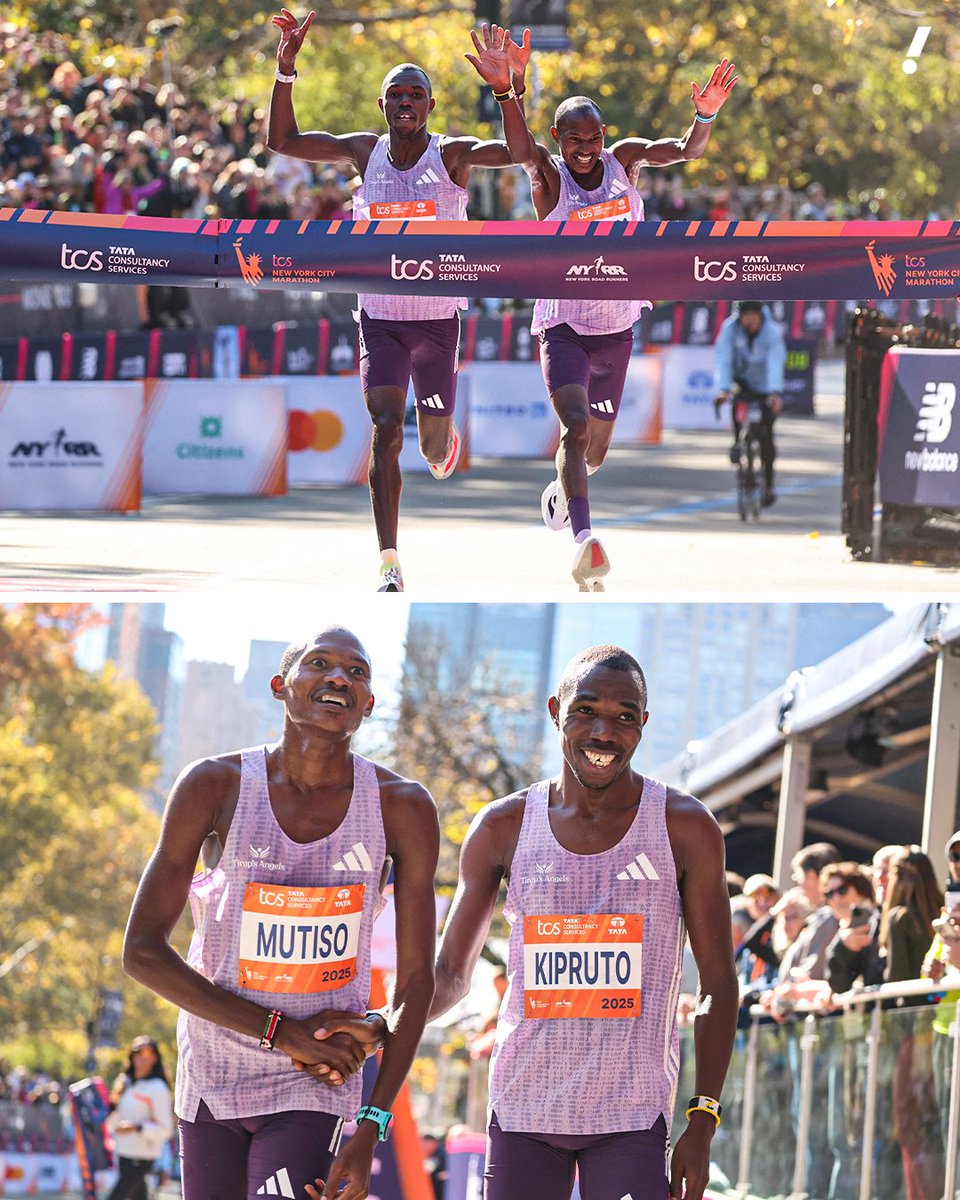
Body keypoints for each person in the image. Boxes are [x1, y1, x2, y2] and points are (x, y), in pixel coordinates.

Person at [122, 626, 440, 1200]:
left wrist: (372, 1120)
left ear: (368, 705)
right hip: (213, 1075)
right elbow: (141, 951)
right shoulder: (213, 785)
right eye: (319, 663)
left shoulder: (404, 806)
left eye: (357, 672)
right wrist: (279, 1032)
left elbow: (417, 981)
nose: (340, 677)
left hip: (317, 1077)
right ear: (281, 686)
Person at [423, 645, 739, 1199]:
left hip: (632, 1117)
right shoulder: (503, 825)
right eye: (586, 710)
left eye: (623, 716)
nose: (603, 732)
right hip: (525, 1108)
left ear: (643, 722)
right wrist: (383, 1024)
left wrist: (703, 1119)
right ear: (555, 711)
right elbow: (450, 973)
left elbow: (717, 984)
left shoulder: (685, 826)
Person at [266, 11, 529, 593]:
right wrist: (286, 71)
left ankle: (443, 438)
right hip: (379, 320)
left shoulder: (452, 154)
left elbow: (521, 153)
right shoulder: (365, 152)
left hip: (436, 324)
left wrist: (507, 89)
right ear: (382, 105)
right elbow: (281, 141)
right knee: (385, 428)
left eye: (417, 94)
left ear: (430, 107)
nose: (406, 102)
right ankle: (389, 557)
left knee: (432, 449)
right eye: (396, 95)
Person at [466, 29, 737, 590]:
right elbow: (520, 151)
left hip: (617, 327)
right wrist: (507, 92)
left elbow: (687, 150)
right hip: (563, 324)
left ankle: (564, 488)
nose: (585, 150)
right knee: (574, 427)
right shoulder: (548, 176)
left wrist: (704, 116)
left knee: (595, 453)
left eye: (592, 140)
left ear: (604, 136)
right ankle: (584, 541)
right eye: (573, 142)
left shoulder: (625, 161)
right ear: (560, 140)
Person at [713, 300, 786, 507]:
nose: (749, 321)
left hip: (765, 387)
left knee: (766, 436)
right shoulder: (730, 329)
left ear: (760, 315)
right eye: (745, 317)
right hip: (741, 382)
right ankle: (737, 441)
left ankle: (769, 484)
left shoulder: (772, 332)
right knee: (737, 405)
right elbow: (723, 358)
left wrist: (774, 392)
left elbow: (775, 362)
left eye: (753, 316)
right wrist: (723, 389)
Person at [103, 1037, 173, 1200]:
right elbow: (114, 1119)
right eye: (136, 1051)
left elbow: (166, 1129)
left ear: (155, 1057)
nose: (140, 1056)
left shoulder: (158, 1088)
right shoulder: (125, 1083)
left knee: (116, 1196)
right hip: (122, 1151)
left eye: (147, 1052)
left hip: (142, 1156)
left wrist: (137, 1127)